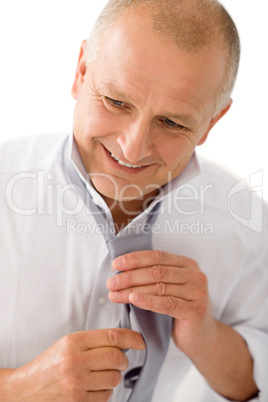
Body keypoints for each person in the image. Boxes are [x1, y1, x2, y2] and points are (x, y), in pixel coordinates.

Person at [0, 0, 267, 401]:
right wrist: (13, 389)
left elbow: (255, 381)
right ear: (81, 71)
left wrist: (207, 338)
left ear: (212, 122)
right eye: (116, 102)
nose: (133, 146)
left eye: (172, 122)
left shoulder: (247, 225)